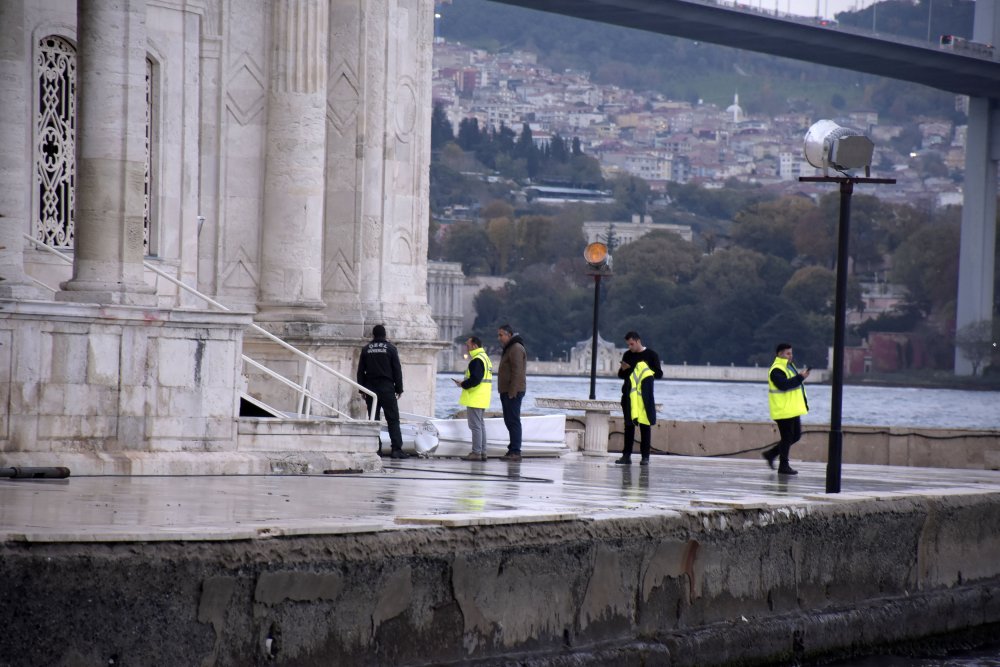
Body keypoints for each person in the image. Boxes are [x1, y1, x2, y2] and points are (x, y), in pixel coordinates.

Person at [357, 324, 408, 459]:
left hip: (370, 388)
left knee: (374, 418)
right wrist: (399, 388)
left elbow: (360, 370)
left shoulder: (366, 349)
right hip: (387, 387)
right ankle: (396, 449)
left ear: (373, 335)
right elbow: (397, 370)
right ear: (385, 335)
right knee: (393, 419)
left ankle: (376, 448)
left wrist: (361, 389)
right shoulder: (391, 349)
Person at [762, 342, 811, 475]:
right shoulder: (777, 369)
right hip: (783, 410)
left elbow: (792, 384)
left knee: (795, 436)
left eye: (791, 353)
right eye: (788, 353)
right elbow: (783, 385)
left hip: (792, 409)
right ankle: (783, 466)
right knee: (787, 437)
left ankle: (771, 454)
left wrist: (800, 377)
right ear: (780, 354)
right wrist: (800, 377)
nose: (791, 356)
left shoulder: (789, 367)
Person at [615, 331, 663, 466]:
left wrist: (642, 369)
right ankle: (626, 455)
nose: (630, 347)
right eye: (628, 344)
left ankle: (645, 457)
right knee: (629, 426)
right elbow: (621, 375)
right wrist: (625, 369)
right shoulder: (627, 355)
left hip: (644, 397)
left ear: (638, 341)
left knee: (644, 426)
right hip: (629, 396)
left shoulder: (651, 355)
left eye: (631, 344)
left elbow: (658, 374)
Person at [453, 336, 492, 461]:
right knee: (480, 425)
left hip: (475, 397)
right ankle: (482, 452)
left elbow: (475, 379)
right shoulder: (485, 358)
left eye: (468, 345)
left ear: (475, 346)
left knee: (475, 426)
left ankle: (476, 452)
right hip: (483, 397)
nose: (466, 348)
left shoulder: (477, 360)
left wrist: (462, 384)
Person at [496, 324, 526, 462]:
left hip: (512, 392)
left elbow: (517, 371)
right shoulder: (510, 348)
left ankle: (515, 451)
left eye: (501, 335)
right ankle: (512, 449)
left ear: (509, 335)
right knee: (509, 420)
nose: (499, 338)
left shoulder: (516, 348)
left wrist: (512, 392)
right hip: (507, 391)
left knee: (513, 421)